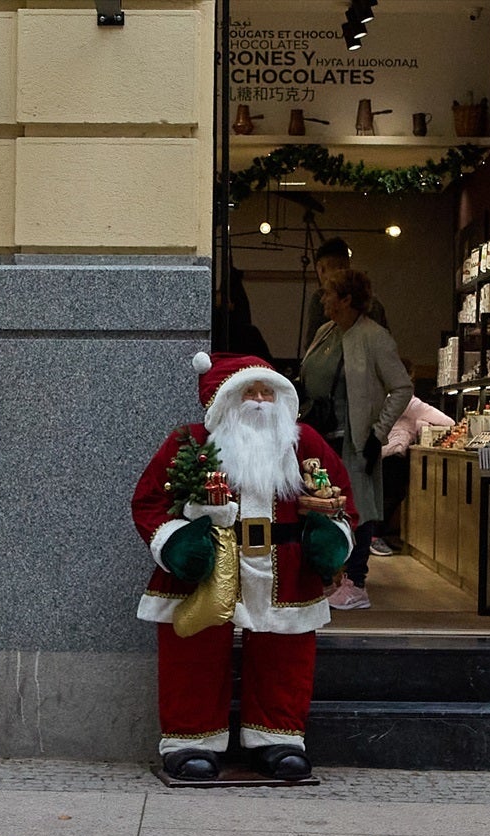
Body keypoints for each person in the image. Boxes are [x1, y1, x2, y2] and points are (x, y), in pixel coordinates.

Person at [131, 352, 359, 781]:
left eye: (266, 392)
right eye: (248, 392)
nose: (258, 400)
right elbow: (150, 501)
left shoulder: (304, 442)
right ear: (225, 401)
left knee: (285, 654)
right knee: (193, 653)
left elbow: (341, 497)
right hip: (209, 564)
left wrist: (332, 537)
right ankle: (190, 741)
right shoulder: (190, 442)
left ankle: (277, 738)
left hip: (285, 568)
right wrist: (175, 543)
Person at [302, 268, 412, 610]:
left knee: (357, 506)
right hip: (321, 434)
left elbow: (402, 387)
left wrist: (378, 432)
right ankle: (330, 578)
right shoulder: (325, 332)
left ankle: (356, 581)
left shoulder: (375, 337)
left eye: (328, 294)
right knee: (322, 504)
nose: (322, 299)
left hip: (355, 438)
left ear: (347, 299)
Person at [302, 237, 387, 338]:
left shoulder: (320, 299)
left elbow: (313, 340)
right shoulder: (371, 301)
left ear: (321, 268)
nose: (323, 299)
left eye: (327, 294)